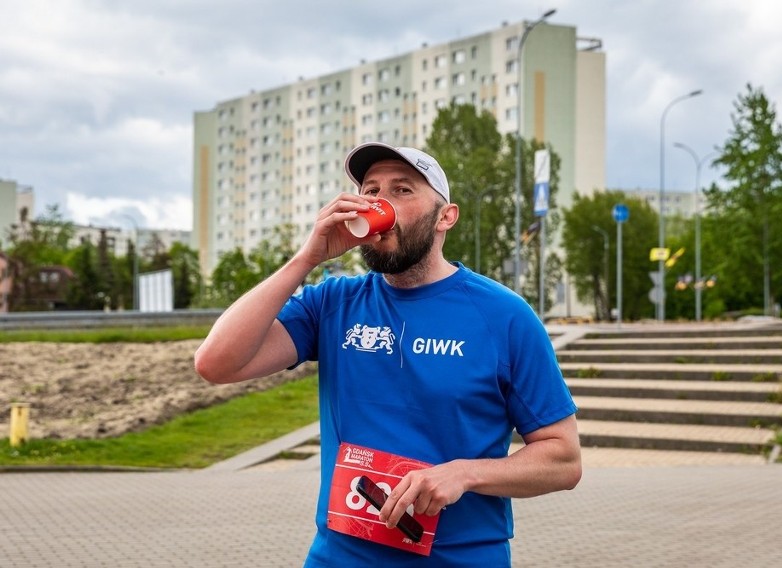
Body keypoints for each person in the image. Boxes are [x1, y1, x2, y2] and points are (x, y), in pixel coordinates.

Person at [195, 142, 582, 567]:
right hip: (339, 556)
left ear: (445, 217)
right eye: (371, 191)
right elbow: (216, 364)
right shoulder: (332, 304)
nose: (381, 203)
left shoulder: (503, 315)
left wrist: (465, 473)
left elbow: (563, 459)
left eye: (402, 190)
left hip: (460, 558)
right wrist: (307, 258)